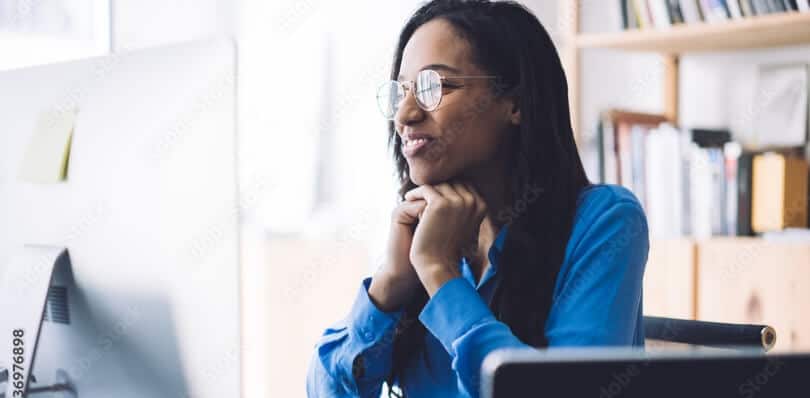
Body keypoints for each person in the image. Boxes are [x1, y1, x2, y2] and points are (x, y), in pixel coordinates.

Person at [306, 1, 649, 397]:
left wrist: (441, 275)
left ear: (514, 103)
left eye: (435, 86)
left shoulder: (604, 221)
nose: (405, 115)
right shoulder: (417, 231)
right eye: (402, 91)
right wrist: (389, 287)